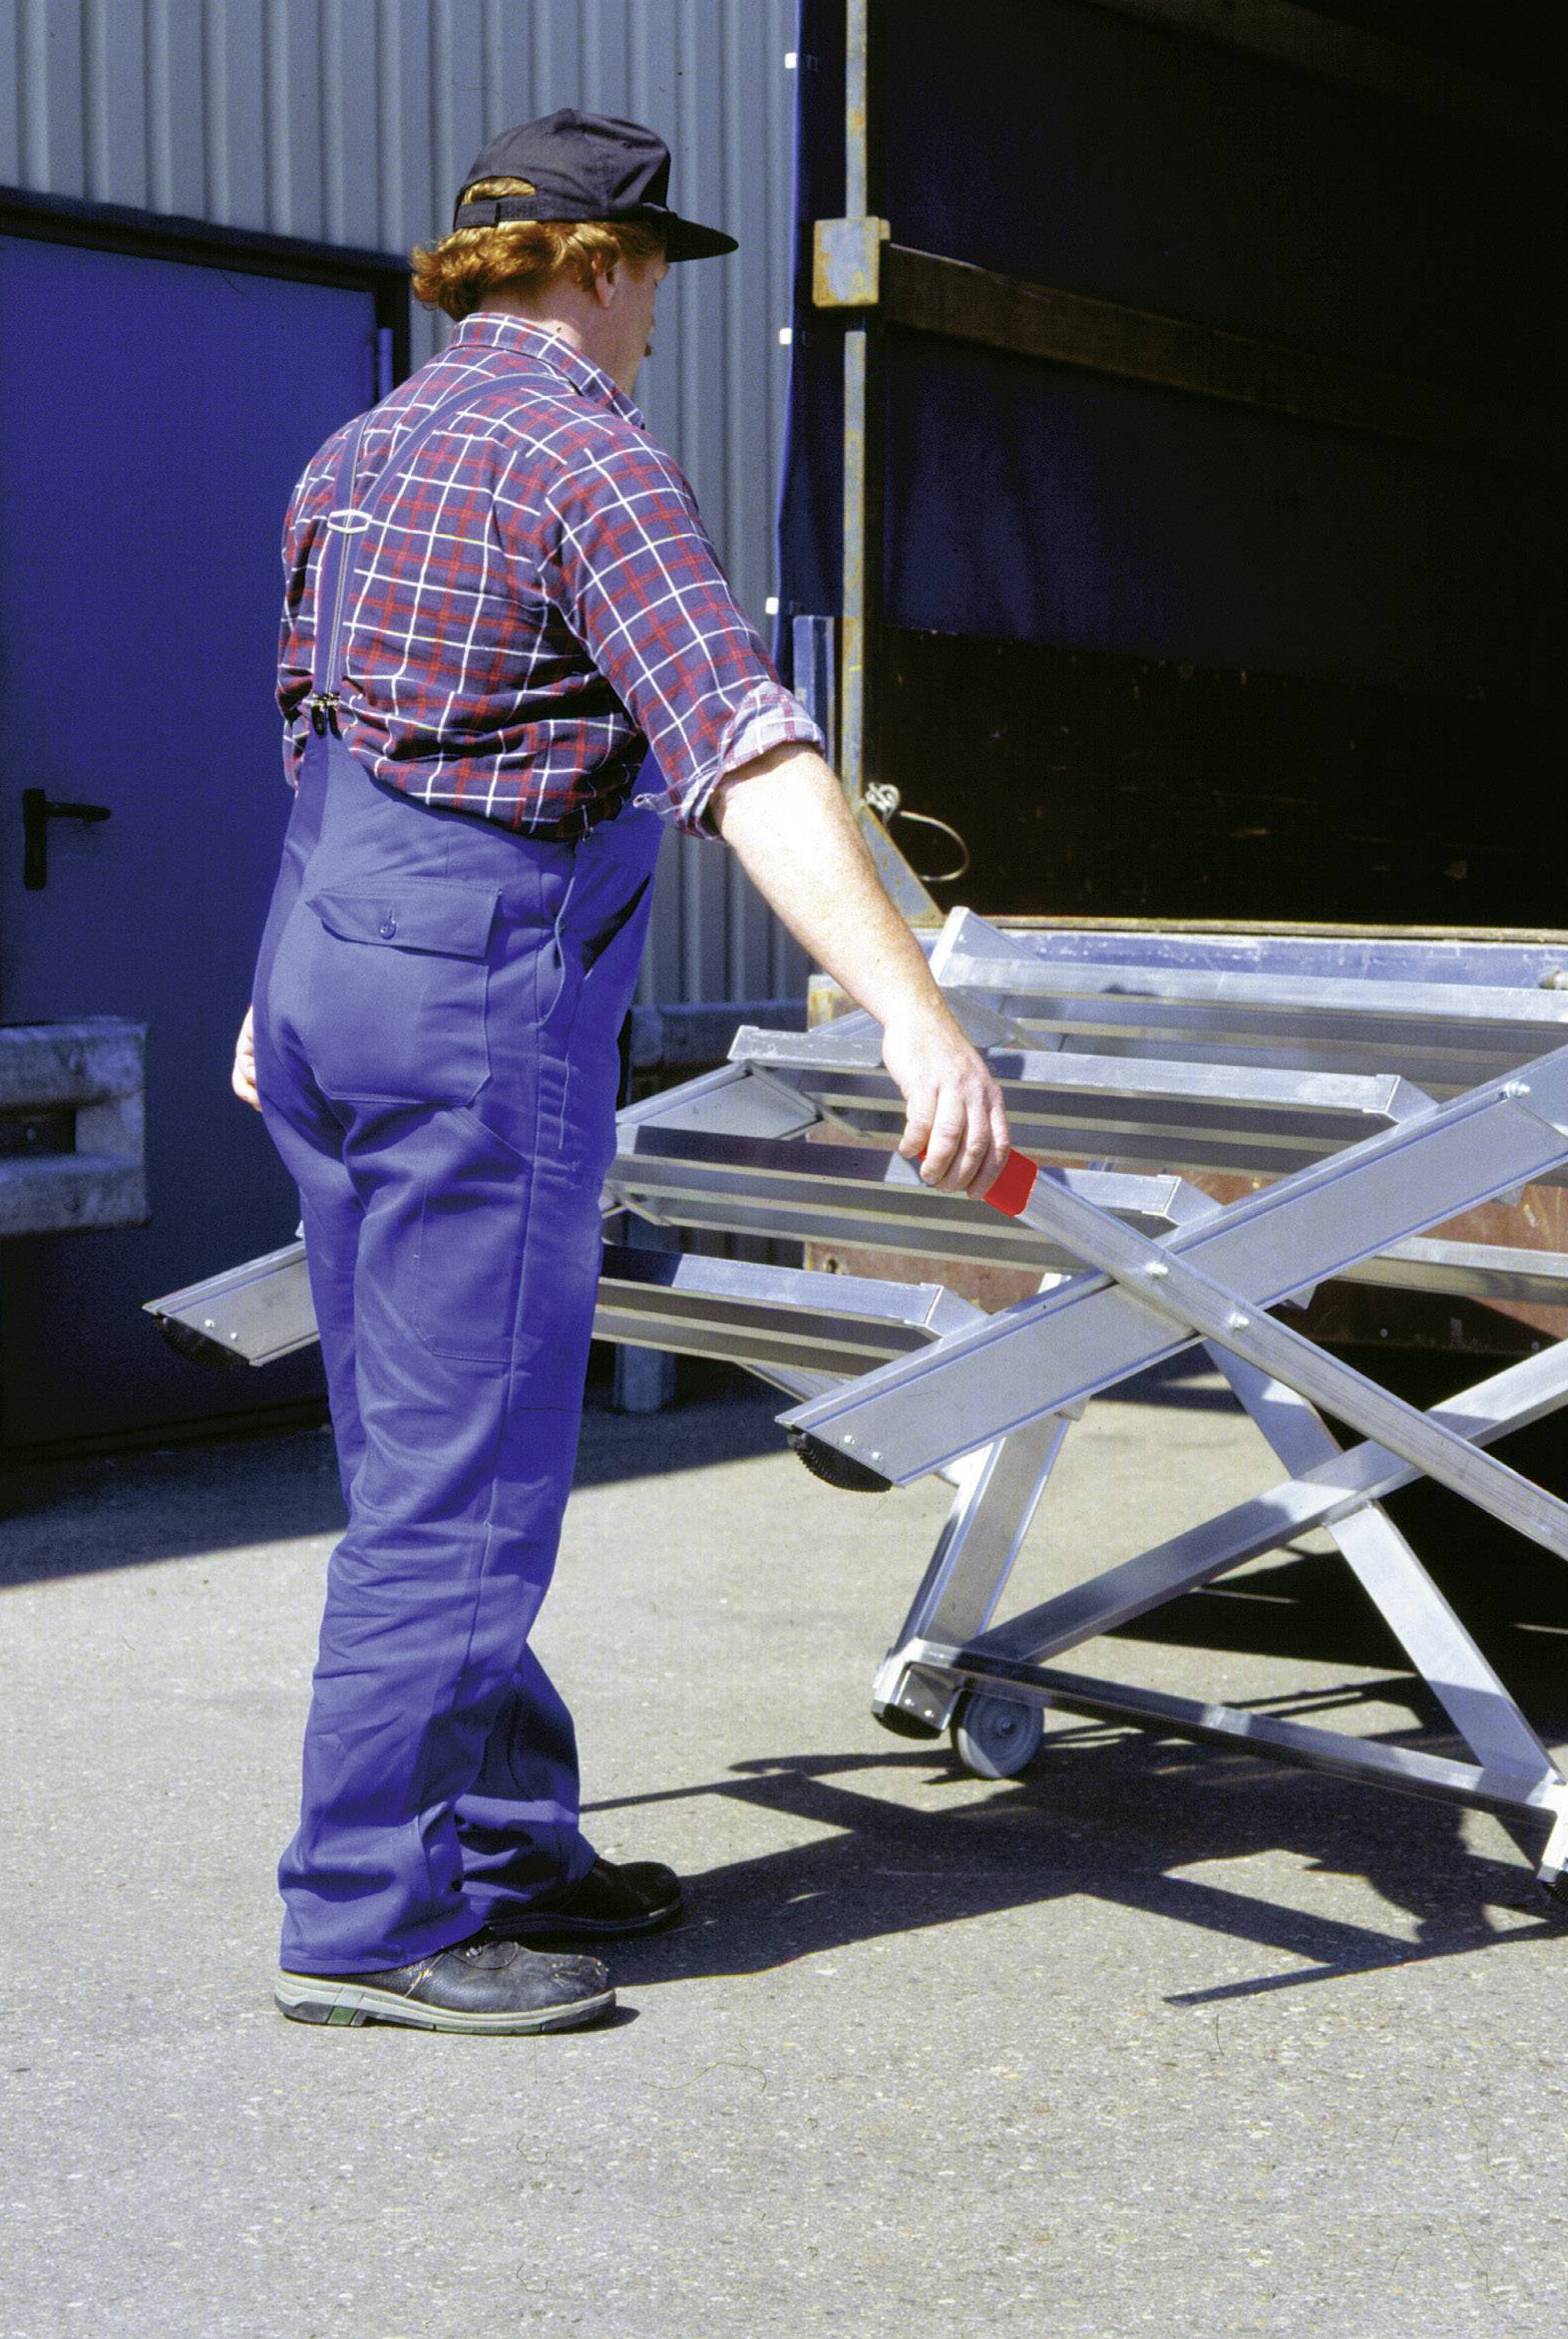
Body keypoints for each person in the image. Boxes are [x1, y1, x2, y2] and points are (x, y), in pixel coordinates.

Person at [228, 109, 1009, 2034]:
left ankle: (503, 1840)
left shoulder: (356, 451)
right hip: (469, 999)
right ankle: (370, 1916)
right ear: (596, 265)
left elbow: (313, 730)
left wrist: (273, 992)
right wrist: (913, 1010)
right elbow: (742, 751)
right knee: (464, 1481)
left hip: (330, 970)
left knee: (418, 1445)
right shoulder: (589, 456)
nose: (660, 308)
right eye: (655, 269)